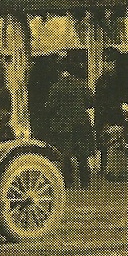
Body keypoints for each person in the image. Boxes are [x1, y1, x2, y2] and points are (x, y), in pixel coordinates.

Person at [44, 55, 95, 189]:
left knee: (65, 155)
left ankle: (68, 181)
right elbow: (91, 102)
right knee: (82, 155)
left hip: (63, 125)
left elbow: (49, 107)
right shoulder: (81, 84)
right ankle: (85, 181)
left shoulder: (56, 87)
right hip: (81, 123)